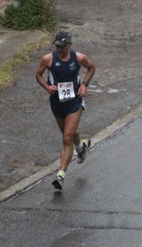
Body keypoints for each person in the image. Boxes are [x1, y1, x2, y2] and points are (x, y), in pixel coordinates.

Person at [35, 30, 96, 191]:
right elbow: (38, 75)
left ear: (69, 44)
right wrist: (47, 87)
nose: (59, 49)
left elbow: (91, 68)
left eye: (62, 46)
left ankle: (60, 175)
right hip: (57, 102)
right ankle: (82, 145)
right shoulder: (48, 59)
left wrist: (84, 84)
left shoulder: (79, 58)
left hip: (74, 101)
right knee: (68, 134)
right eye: (57, 46)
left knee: (67, 138)